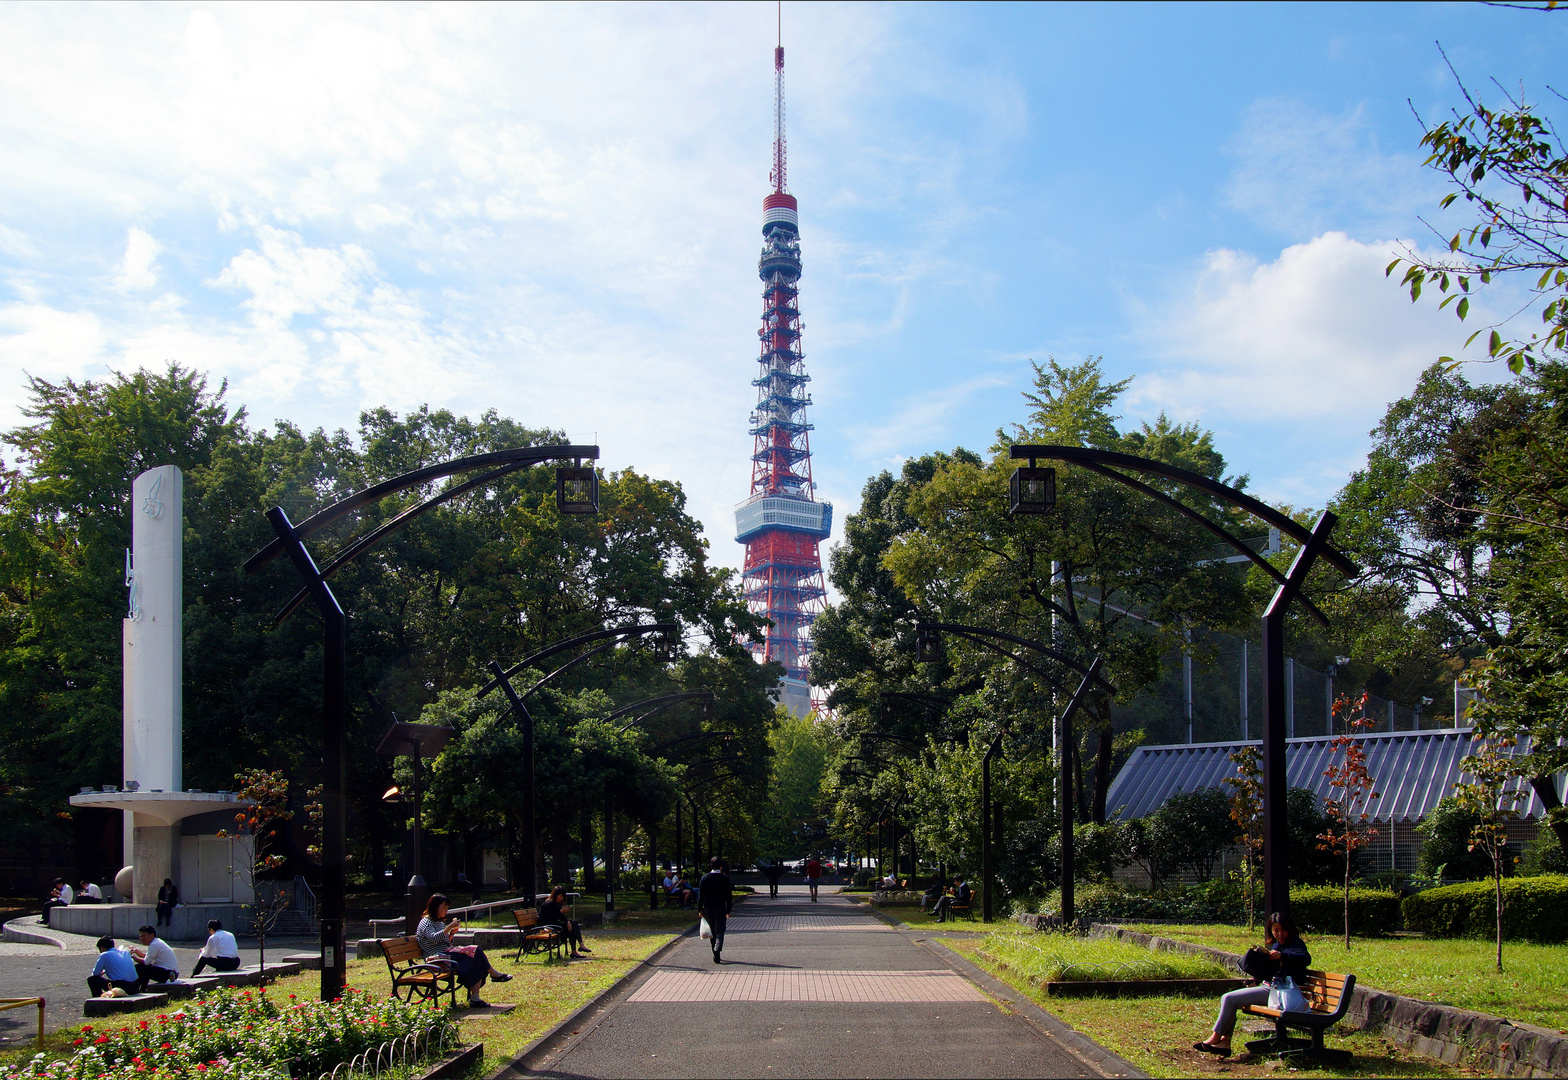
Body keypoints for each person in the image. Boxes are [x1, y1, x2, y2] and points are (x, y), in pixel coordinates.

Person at [1193, 912, 1311, 1059]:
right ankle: (1224, 1043)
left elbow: (1305, 959)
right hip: (1271, 988)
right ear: (1270, 931)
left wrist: (1283, 956)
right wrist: (1257, 979)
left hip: (1282, 993)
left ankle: (1216, 1037)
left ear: (1290, 929)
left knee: (1229, 999)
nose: (1280, 934)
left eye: (1283, 930)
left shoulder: (1296, 944)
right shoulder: (1276, 944)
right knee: (1229, 999)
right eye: (1276, 931)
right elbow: (1272, 970)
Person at [416, 893, 512, 1008]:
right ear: (435, 906)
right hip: (435, 958)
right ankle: (493, 974)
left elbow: (445, 941)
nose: (446, 910)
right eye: (444, 907)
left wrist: (452, 933)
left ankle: (475, 997)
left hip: (445, 954)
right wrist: (449, 927)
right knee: (475, 951)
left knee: (476, 957)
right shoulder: (426, 922)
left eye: (447, 907)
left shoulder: (438, 921)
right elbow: (434, 938)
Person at [697, 856, 733, 965]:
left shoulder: (705, 878)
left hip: (708, 908)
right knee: (720, 930)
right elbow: (729, 896)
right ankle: (718, 948)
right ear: (721, 867)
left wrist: (700, 909)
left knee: (712, 931)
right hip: (720, 907)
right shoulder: (724, 879)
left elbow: (701, 896)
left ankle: (715, 953)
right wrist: (728, 910)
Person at [538, 886, 591, 958]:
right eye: (560, 896)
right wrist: (561, 913)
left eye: (562, 896)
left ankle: (578, 948)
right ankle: (578, 947)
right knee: (572, 927)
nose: (561, 898)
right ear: (555, 895)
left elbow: (558, 917)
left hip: (554, 926)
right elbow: (551, 918)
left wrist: (567, 921)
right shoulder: (549, 904)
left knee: (572, 925)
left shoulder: (556, 903)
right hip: (549, 928)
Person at [130, 925, 179, 992]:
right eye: (140, 936)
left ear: (152, 935)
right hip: (172, 972)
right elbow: (147, 957)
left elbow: (146, 962)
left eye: (144, 936)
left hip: (169, 974)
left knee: (140, 967)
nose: (142, 939)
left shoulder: (154, 945)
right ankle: (143, 989)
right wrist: (136, 951)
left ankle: (140, 989)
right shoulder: (157, 942)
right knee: (146, 968)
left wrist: (132, 957)